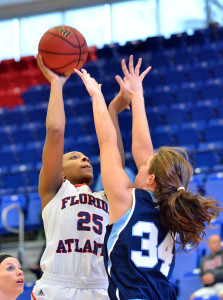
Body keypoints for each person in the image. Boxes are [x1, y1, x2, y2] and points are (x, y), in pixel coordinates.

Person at [75, 55, 222, 300]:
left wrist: (97, 96)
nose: (140, 162)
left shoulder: (128, 201)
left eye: (144, 165)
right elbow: (143, 150)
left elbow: (108, 144)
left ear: (151, 179)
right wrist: (136, 96)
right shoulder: (172, 214)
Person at [31, 54, 131, 300]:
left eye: (86, 157)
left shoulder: (106, 196)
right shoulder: (55, 191)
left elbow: (113, 155)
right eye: (74, 157)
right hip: (58, 285)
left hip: (101, 286)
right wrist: (56, 83)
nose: (85, 159)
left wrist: (113, 111)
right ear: (60, 170)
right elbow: (55, 131)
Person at [190, 234, 223, 300]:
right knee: (193, 297)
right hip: (209, 287)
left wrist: (214, 276)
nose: (217, 244)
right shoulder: (204, 259)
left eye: (219, 241)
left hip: (221, 285)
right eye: (214, 242)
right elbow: (202, 275)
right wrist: (204, 279)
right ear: (209, 245)